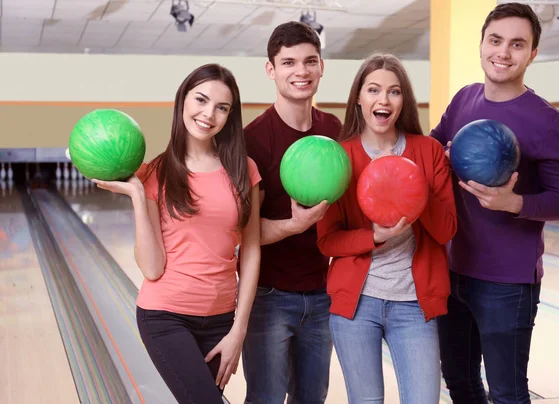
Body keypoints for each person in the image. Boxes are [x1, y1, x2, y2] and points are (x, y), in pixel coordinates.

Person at [430, 3, 559, 404]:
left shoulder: (549, 123)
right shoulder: (463, 100)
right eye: (495, 40)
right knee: (460, 383)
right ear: (481, 45)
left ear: (532, 54)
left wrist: (513, 202)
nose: (503, 52)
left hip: (507, 284)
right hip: (453, 267)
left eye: (517, 44)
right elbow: (432, 147)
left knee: (508, 394)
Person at [93, 63, 262, 403]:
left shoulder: (245, 169)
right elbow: (152, 268)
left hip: (221, 320)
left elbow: (253, 250)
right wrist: (140, 197)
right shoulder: (157, 172)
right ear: (183, 100)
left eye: (221, 107)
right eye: (200, 99)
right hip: (166, 317)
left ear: (230, 115)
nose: (208, 113)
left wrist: (238, 331)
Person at [316, 53, 457, 404]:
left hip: (414, 303)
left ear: (403, 101)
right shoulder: (341, 157)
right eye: (374, 90)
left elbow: (447, 230)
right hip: (357, 304)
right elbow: (327, 241)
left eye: (394, 92)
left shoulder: (429, 152)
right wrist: (374, 236)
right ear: (359, 99)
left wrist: (414, 189)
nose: (383, 99)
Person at [241, 21, 342, 404]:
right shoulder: (252, 139)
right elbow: (243, 233)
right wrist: (293, 226)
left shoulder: (334, 129)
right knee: (264, 398)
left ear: (321, 66)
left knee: (312, 399)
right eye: (288, 63)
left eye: (309, 61)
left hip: (322, 293)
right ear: (271, 70)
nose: (300, 71)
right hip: (269, 296)